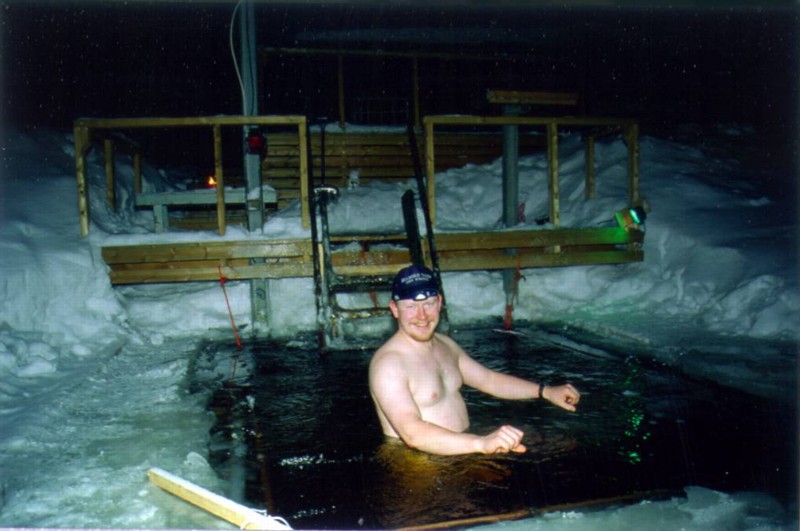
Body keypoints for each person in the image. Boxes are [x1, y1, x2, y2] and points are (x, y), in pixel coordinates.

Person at [369, 264, 581, 456]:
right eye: (411, 306)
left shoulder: (445, 345)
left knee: (564, 444)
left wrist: (545, 391)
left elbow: (488, 380)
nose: (422, 315)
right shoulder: (389, 364)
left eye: (429, 303)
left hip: (462, 448)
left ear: (440, 302)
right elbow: (412, 434)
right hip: (419, 463)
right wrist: (480, 443)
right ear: (395, 309)